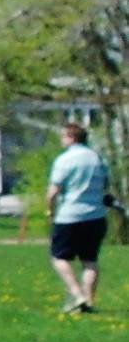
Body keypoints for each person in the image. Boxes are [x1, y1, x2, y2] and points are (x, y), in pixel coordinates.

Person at [47, 119, 111, 314]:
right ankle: (89, 302)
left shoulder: (64, 160)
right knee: (90, 260)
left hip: (70, 215)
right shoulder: (98, 158)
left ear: (71, 137)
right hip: (96, 215)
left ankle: (77, 294)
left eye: (63, 137)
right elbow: (106, 185)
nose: (61, 141)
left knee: (59, 258)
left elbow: (54, 189)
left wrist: (49, 209)